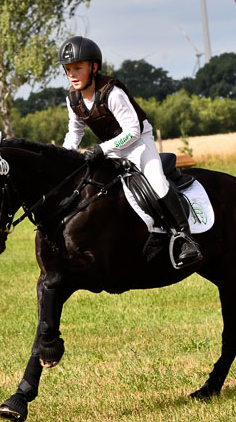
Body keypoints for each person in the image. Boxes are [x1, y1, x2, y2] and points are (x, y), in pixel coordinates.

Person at [59, 35, 202, 266]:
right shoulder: (73, 98)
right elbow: (74, 132)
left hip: (138, 143)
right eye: (68, 69)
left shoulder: (112, 93)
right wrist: (64, 157)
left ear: (94, 67)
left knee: (157, 182)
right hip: (112, 148)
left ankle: (186, 238)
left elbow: (133, 131)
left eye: (78, 67)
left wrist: (102, 149)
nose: (72, 74)